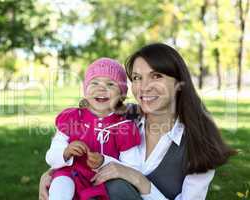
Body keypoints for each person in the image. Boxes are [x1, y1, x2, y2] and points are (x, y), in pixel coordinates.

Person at [40, 43, 235, 200]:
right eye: (137, 78)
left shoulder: (199, 144)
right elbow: (81, 141)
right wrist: (52, 173)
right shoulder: (122, 116)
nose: (144, 87)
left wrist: (138, 180)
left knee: (116, 186)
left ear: (178, 83)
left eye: (156, 76)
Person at [45, 57, 141, 200]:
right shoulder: (72, 118)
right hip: (70, 176)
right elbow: (51, 156)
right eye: (94, 83)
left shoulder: (124, 127)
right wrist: (65, 152)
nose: (101, 88)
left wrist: (104, 161)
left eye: (110, 84)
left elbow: (133, 168)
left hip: (103, 183)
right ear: (85, 90)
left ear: (121, 95)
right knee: (60, 186)